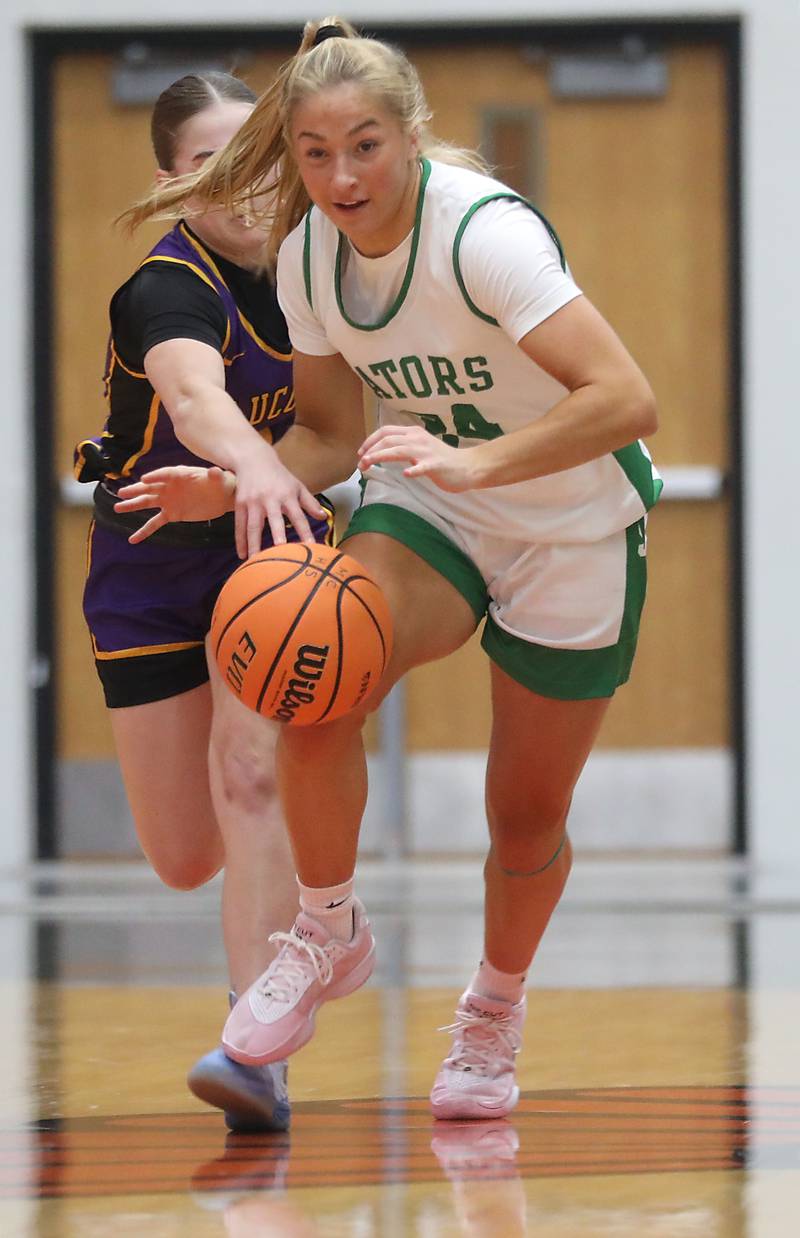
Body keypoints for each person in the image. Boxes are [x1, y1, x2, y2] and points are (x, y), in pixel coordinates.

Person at [115, 18, 660, 1121]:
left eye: (362, 145)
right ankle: (326, 928)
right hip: (430, 504)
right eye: (313, 153)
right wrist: (236, 484)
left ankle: (491, 1010)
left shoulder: (483, 237)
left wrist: (480, 459)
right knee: (312, 666)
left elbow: (624, 401)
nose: (339, 175)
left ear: (409, 136)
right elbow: (325, 432)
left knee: (524, 813)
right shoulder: (312, 254)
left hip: (566, 518)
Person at [74, 70, 356, 1132]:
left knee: (251, 779)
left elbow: (335, 420)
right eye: (211, 160)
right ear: (170, 184)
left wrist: (265, 489)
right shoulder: (164, 285)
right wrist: (255, 461)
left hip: (267, 550)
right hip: (147, 561)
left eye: (258, 154)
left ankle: (255, 1045)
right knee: (186, 854)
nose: (243, 179)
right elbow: (194, 396)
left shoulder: (315, 279)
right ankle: (332, 908)